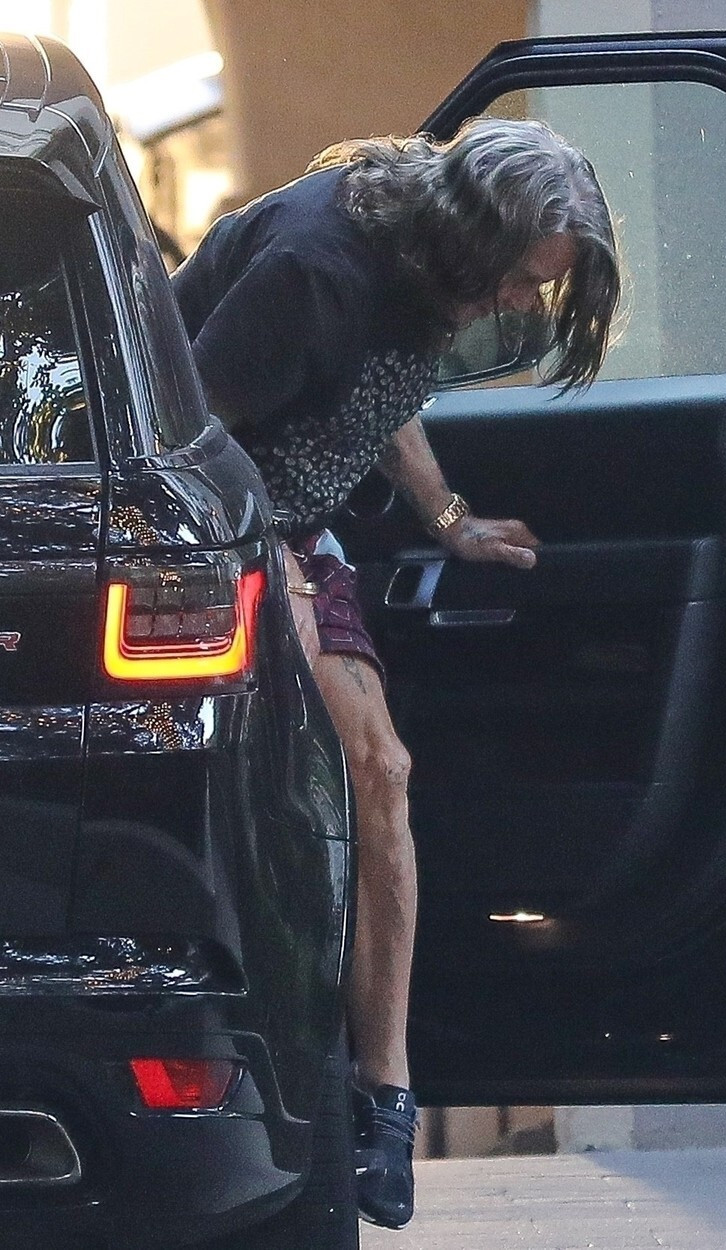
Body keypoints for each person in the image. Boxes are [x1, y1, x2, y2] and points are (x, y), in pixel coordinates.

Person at [172, 117, 620, 1230]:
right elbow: (185, 442)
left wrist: (450, 518)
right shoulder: (312, 271)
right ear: (471, 241)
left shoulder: (420, 265)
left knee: (381, 773)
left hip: (297, 529)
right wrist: (264, 557)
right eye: (519, 279)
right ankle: (332, 1071)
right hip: (224, 540)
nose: (522, 301)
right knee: (359, 767)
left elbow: (382, 391)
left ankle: (385, 1089)